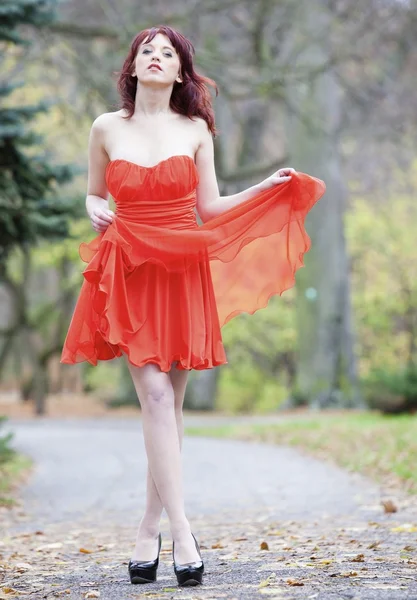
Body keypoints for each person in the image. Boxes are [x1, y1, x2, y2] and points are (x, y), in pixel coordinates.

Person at [60, 25, 326, 587]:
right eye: (146, 52)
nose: (155, 59)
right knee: (154, 395)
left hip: (183, 266)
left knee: (171, 409)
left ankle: (147, 528)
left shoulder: (197, 129)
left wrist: (263, 187)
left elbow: (209, 207)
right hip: (130, 264)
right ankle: (183, 532)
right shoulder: (107, 126)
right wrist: (92, 208)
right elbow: (92, 190)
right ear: (132, 68)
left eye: (167, 54)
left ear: (181, 72)